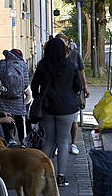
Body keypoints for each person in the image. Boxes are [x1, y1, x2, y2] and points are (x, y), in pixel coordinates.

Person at [31, 37, 82, 187]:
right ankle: (60, 176)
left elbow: (34, 86)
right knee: (63, 142)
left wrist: (39, 97)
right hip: (66, 108)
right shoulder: (71, 65)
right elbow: (77, 86)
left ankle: (43, 174)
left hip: (47, 107)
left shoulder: (42, 66)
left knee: (49, 140)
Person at [55, 33, 89, 156]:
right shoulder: (54, 55)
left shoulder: (75, 55)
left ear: (67, 42)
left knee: (74, 120)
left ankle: (73, 143)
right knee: (59, 121)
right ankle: (59, 144)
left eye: (62, 41)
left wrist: (85, 86)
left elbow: (81, 71)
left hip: (73, 92)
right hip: (58, 93)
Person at [0, 49, 31, 142]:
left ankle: (7, 140)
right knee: (19, 121)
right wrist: (18, 91)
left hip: (2, 98)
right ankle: (23, 141)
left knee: (4, 118)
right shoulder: (23, 65)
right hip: (18, 99)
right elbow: (26, 83)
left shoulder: (2, 63)